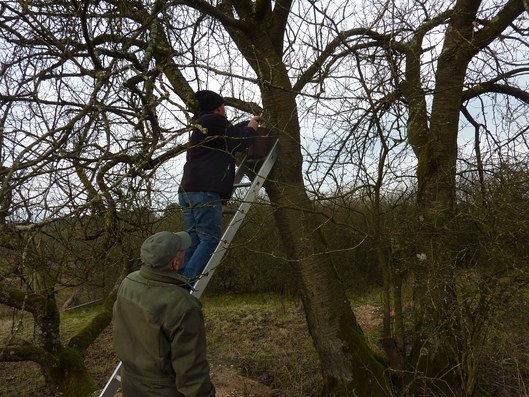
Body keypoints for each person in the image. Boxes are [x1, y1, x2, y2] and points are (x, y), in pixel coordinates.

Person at [112, 231, 215, 397]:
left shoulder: (128, 282)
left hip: (130, 384)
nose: (185, 254)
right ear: (175, 263)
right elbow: (192, 373)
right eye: (183, 252)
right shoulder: (183, 306)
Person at [178, 90, 262, 280]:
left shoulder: (204, 124)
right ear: (218, 107)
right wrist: (252, 126)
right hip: (204, 192)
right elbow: (240, 140)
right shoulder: (214, 121)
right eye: (223, 106)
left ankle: (178, 280)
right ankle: (186, 283)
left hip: (188, 191)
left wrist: (247, 125)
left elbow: (231, 133)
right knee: (210, 240)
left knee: (193, 240)